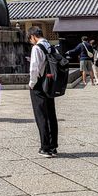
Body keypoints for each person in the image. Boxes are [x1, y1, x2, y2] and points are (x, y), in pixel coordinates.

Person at [28, 26, 58, 157]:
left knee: (41, 114)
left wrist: (32, 83)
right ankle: (53, 145)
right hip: (50, 82)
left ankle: (45, 147)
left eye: (30, 39)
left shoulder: (36, 48)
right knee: (51, 113)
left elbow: (34, 67)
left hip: (39, 83)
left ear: (33, 36)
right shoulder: (50, 46)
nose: (31, 41)